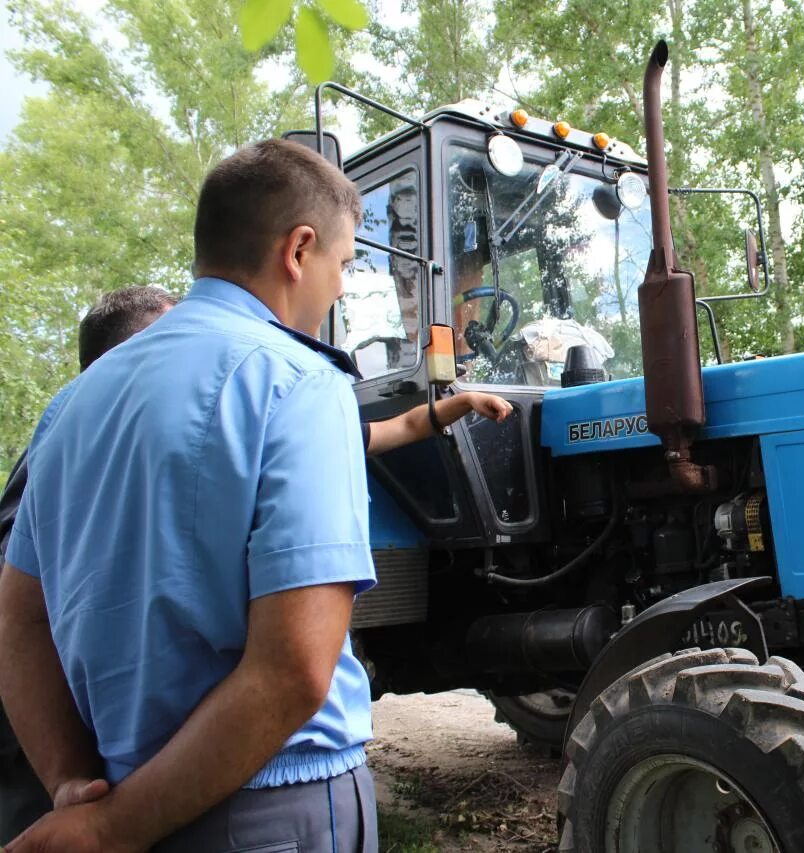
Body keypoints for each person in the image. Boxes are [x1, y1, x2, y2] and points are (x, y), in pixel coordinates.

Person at [0, 138, 494, 853]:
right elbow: (295, 667)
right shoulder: (298, 383)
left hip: (120, 791)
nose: (343, 287)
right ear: (298, 250)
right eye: (346, 262)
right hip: (270, 808)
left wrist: (76, 788)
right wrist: (107, 828)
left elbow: (17, 619)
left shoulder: (72, 405)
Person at [0, 286, 176, 844]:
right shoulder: (78, 434)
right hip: (36, 724)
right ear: (127, 356)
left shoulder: (86, 427)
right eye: (173, 346)